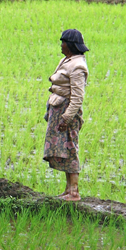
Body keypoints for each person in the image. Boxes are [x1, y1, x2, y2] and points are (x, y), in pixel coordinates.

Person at [43, 29, 89, 202]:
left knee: (70, 148)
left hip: (67, 112)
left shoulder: (78, 66)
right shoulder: (67, 60)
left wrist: (66, 118)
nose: (61, 45)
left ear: (70, 45)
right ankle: (68, 190)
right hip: (59, 108)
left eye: (63, 42)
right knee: (64, 149)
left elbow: (77, 98)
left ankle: (74, 192)